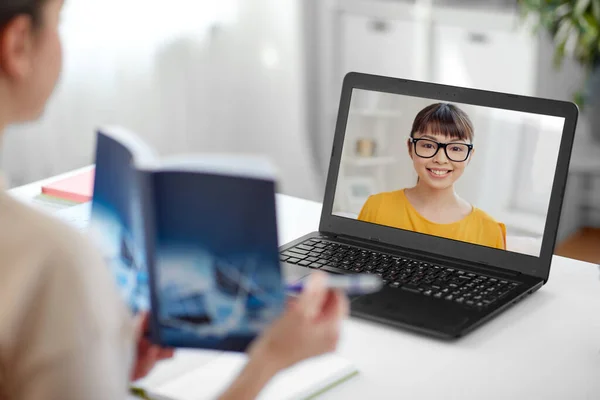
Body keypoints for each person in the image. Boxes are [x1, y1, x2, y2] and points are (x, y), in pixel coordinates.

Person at [0, 1, 349, 399]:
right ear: (17, 45)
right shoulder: (55, 263)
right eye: (59, 22)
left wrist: (98, 365)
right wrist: (270, 357)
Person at [358, 102, 506, 250]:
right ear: (410, 148)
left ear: (470, 156)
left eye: (455, 148)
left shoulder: (489, 230)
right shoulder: (377, 207)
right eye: (428, 145)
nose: (441, 159)